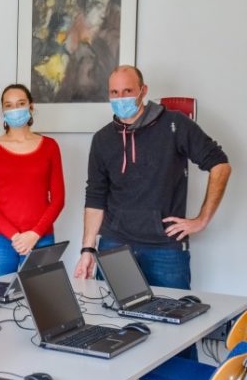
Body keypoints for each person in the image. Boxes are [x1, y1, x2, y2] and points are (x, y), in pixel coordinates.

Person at [74, 65, 230, 289]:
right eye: (114, 93)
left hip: (165, 249)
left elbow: (220, 164)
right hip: (114, 246)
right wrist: (87, 249)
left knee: (174, 318)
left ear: (143, 90)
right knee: (112, 319)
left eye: (127, 91)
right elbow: (95, 196)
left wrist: (202, 220)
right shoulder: (102, 139)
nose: (121, 98)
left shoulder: (174, 124)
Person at [0, 84, 65, 279]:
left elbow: (58, 199)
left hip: (40, 238)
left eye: (21, 104)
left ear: (31, 107)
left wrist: (34, 234)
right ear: (3, 111)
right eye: (9, 105)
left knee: (41, 300)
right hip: (0, 240)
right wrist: (15, 236)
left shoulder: (50, 147)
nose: (15, 110)